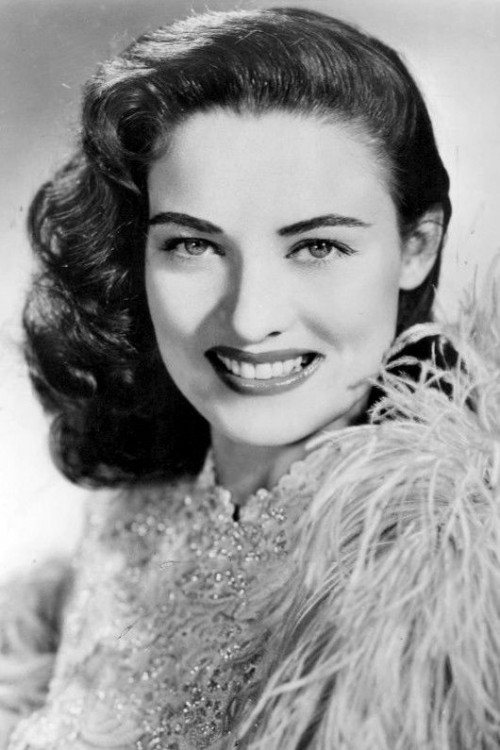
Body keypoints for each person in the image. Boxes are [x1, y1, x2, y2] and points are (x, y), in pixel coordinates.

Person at [1, 6, 499, 750]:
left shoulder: (448, 587)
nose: (249, 317)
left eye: (318, 247)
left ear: (417, 248)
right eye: (193, 245)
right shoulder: (131, 512)